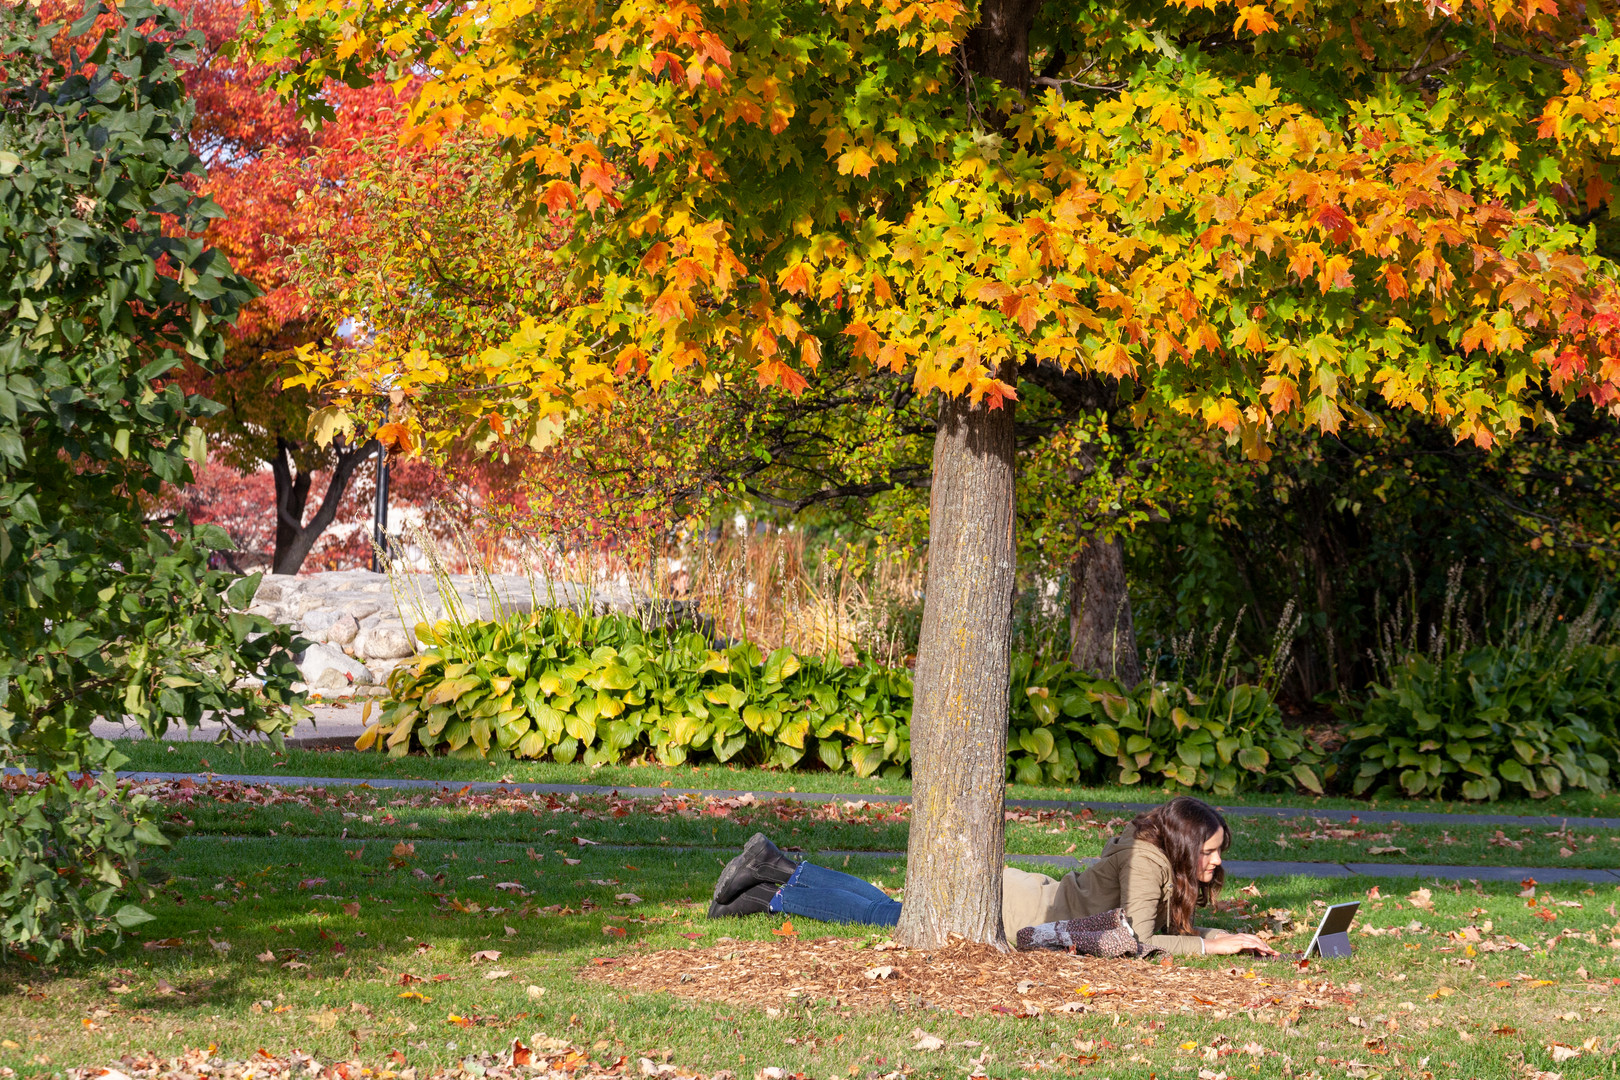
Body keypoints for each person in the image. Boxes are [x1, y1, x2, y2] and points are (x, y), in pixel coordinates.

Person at [708, 795, 1277, 956]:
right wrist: (1207, 947)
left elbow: (1144, 927)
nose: (1217, 863)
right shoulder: (1148, 861)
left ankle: (762, 891)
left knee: (890, 909)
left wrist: (1208, 935)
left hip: (1028, 898)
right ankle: (778, 871)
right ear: (1182, 846)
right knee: (888, 915)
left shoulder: (1154, 853)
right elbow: (1138, 938)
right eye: (1210, 852)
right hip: (1020, 913)